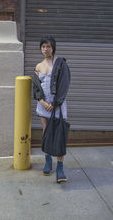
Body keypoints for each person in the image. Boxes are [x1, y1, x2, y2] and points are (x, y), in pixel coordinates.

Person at [32, 36, 69, 183]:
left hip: (57, 105)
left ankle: (60, 167)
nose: (45, 49)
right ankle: (48, 161)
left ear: (53, 47)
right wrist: (41, 101)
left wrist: (55, 103)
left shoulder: (60, 63)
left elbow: (64, 85)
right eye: (43, 47)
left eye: (48, 46)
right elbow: (36, 87)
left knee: (59, 133)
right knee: (46, 132)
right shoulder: (38, 66)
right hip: (43, 106)